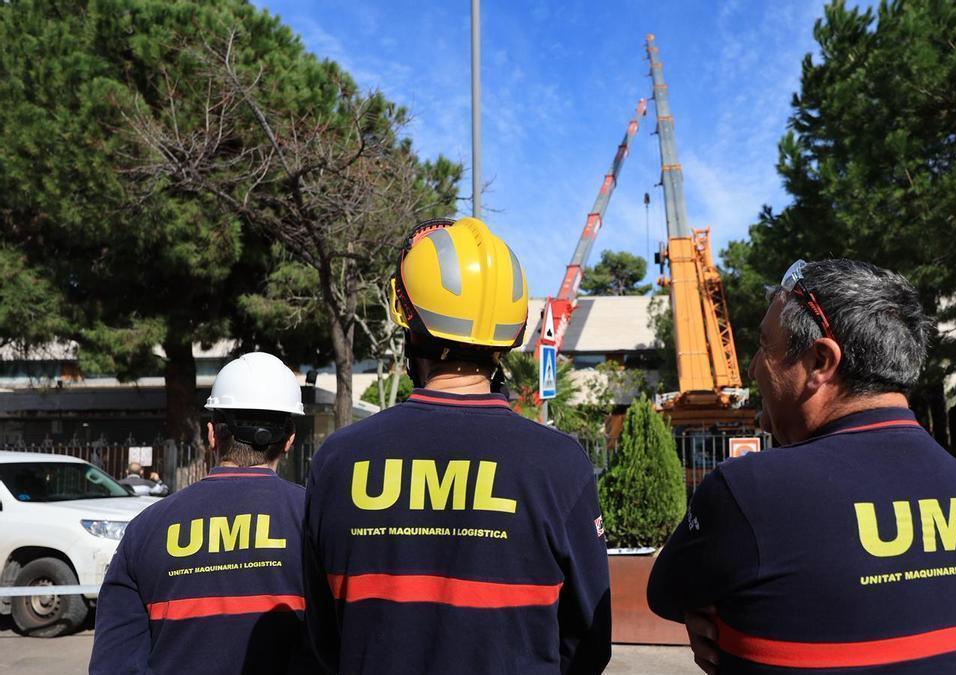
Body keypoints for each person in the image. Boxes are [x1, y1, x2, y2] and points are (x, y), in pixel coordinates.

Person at [647, 259, 956, 674]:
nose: (753, 368)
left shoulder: (751, 489)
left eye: (765, 346)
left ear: (820, 362)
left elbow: (666, 593)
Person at [302, 216, 611, 674]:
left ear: (409, 325)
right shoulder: (559, 464)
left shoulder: (338, 460)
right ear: (509, 335)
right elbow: (588, 642)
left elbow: (324, 637)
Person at [91, 352, 318, 674]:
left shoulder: (146, 529)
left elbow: (114, 663)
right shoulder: (316, 520)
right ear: (290, 438)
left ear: (212, 433)